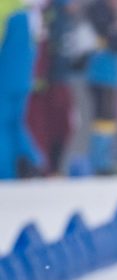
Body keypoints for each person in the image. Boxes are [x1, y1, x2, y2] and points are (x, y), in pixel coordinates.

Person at [26, 0, 79, 175]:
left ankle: (52, 166)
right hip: (50, 81)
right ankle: (44, 167)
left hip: (60, 78)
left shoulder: (67, 18)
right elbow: (45, 45)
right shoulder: (53, 14)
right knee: (47, 126)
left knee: (64, 126)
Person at [0, 0, 44, 179]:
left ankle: (5, 172)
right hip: (23, 78)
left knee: (3, 125)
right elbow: (36, 46)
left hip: (5, 77)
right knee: (16, 123)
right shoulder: (30, 13)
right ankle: (36, 162)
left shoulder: (5, 10)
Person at [84, 0, 117, 174]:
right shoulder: (99, 12)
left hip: (109, 75)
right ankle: (100, 162)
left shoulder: (108, 13)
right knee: (104, 117)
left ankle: (104, 160)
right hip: (102, 75)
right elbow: (116, 42)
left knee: (108, 118)